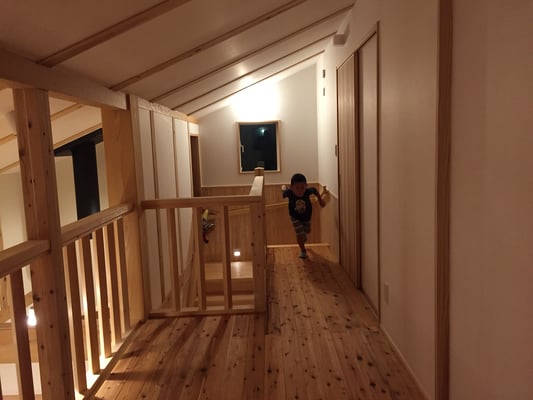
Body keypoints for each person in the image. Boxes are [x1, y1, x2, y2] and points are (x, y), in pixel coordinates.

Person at [282, 173, 326, 259]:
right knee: (299, 233)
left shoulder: (308, 191)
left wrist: (320, 201)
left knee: (307, 231)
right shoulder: (289, 192)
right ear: (292, 187)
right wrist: (283, 188)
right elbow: (284, 193)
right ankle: (303, 250)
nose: (300, 191)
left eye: (302, 187)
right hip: (294, 216)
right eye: (297, 188)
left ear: (306, 186)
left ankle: (303, 236)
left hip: (306, 216)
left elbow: (315, 191)